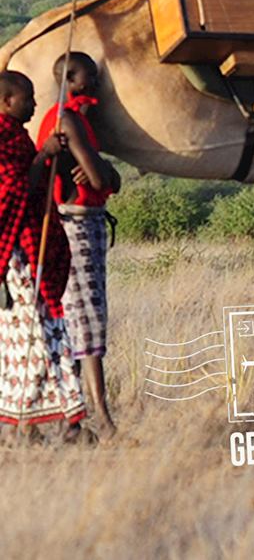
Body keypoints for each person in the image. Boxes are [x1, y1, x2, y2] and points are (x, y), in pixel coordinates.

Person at [36, 53, 121, 437]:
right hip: (76, 224)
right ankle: (98, 417)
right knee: (85, 319)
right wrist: (101, 170)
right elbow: (102, 181)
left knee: (79, 318)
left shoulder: (78, 118)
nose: (97, 80)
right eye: (90, 74)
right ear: (71, 77)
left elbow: (108, 177)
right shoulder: (65, 119)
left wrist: (102, 170)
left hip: (84, 222)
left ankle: (77, 418)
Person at [0, 70, 86, 443]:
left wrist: (53, 160)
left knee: (37, 335)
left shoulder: (17, 137)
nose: (35, 104)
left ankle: (34, 422)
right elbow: (12, 188)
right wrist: (43, 157)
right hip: (17, 256)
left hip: (33, 247)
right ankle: (66, 422)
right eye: (28, 98)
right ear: (6, 102)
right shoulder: (3, 137)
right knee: (40, 334)